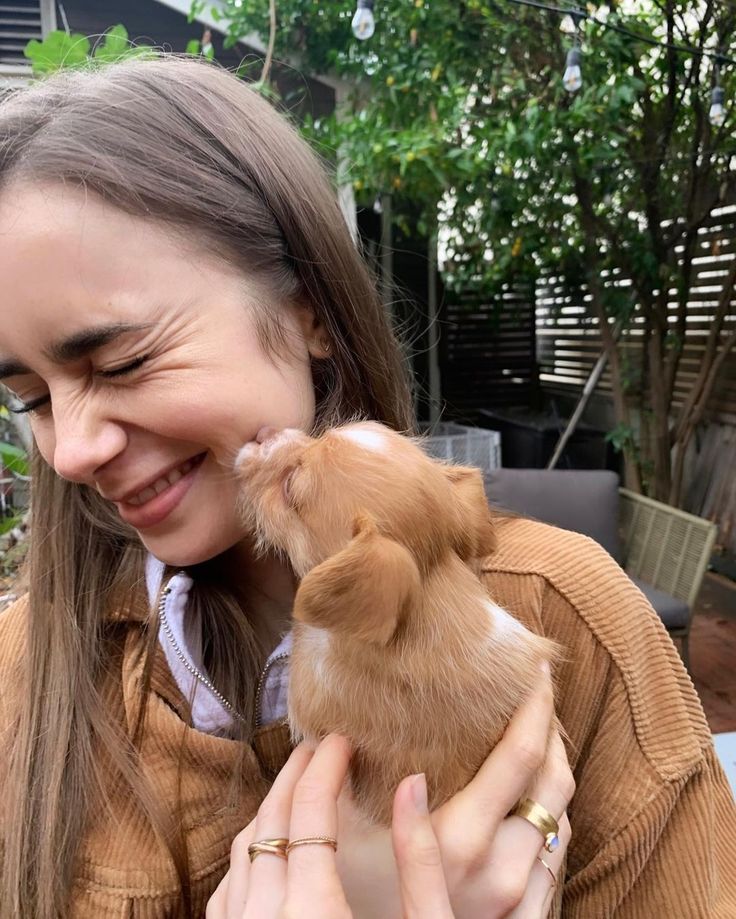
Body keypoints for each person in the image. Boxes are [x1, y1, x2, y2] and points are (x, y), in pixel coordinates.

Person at [0, 55, 732, 919]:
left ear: (310, 310)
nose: (72, 451)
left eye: (124, 360)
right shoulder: (29, 667)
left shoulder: (567, 619)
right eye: (33, 399)